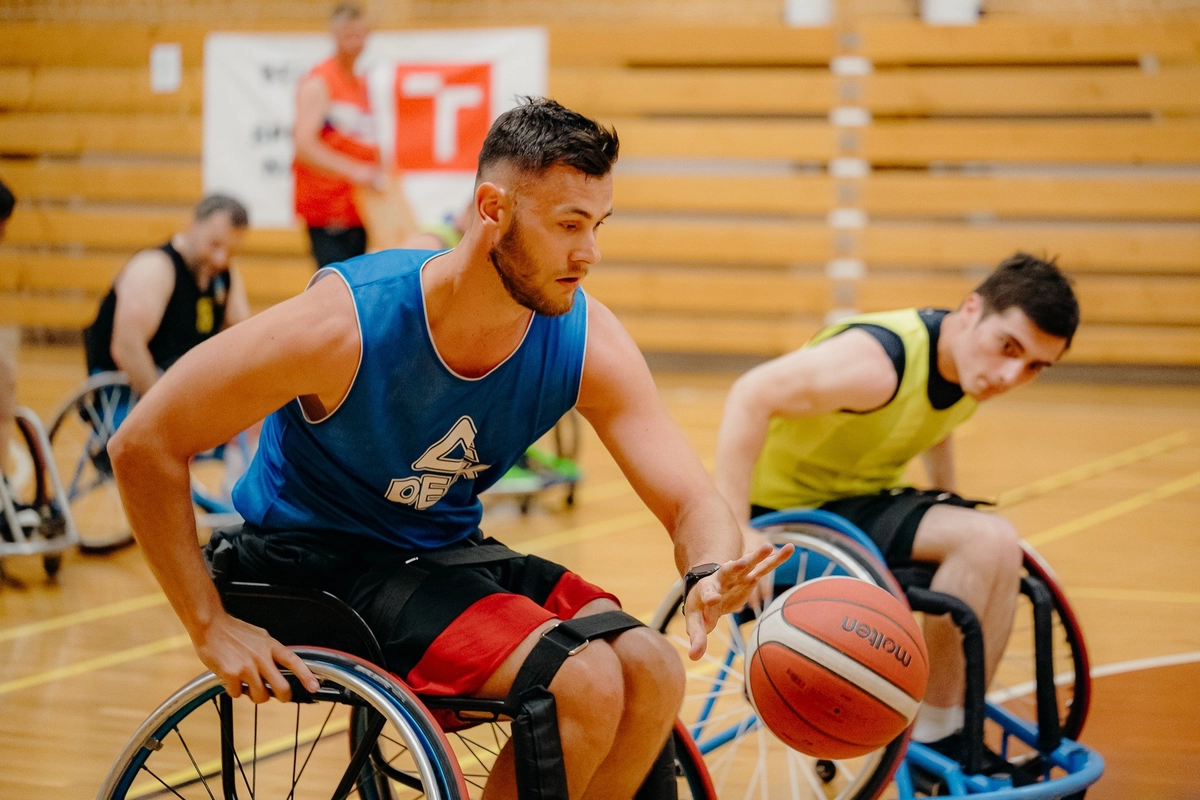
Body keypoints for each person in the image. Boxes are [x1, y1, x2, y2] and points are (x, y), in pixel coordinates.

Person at [109, 98, 789, 799]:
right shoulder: (346, 324)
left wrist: (708, 568)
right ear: (493, 209)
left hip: (441, 554)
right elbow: (143, 442)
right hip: (315, 564)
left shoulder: (585, 339)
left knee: (652, 667)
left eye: (598, 225)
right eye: (569, 225)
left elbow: (689, 498)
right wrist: (207, 623)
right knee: (582, 680)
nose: (590, 252)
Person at [713, 254, 1080, 767]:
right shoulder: (875, 367)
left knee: (997, 540)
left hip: (858, 502)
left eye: (1035, 366)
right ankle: (934, 739)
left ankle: (953, 723)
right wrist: (736, 529)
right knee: (985, 540)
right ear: (971, 310)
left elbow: (937, 418)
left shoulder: (966, 361)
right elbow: (749, 395)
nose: (1010, 374)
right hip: (790, 513)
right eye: (1009, 347)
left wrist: (950, 497)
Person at [84, 195, 252, 399]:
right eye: (214, 244)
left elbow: (241, 338)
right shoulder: (155, 267)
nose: (221, 258)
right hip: (127, 390)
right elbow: (126, 348)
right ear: (192, 225)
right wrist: (165, 406)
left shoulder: (223, 275)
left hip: (181, 391)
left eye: (231, 251)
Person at [292, 2, 382, 268]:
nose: (356, 41)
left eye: (360, 34)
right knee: (335, 283)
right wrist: (354, 170)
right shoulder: (320, 82)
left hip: (358, 208)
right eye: (349, 34)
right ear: (335, 36)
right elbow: (303, 145)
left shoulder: (359, 83)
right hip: (328, 210)